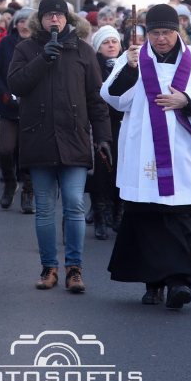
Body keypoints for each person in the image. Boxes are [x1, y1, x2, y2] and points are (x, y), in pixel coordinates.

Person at [101, 3, 191, 310]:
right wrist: (129, 68)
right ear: (146, 33)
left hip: (182, 149)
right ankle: (153, 284)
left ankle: (179, 283)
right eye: (155, 33)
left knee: (182, 216)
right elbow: (113, 98)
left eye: (167, 33)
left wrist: (186, 99)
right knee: (148, 218)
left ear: (178, 32)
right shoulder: (134, 58)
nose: (160, 39)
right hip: (144, 147)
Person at [8, 0, 111, 294]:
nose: (54, 20)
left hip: (74, 138)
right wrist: (43, 59)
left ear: (68, 19)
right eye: (48, 15)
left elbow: (96, 97)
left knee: (75, 204)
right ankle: (48, 267)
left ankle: (74, 269)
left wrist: (103, 137)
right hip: (37, 138)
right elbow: (16, 85)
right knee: (43, 207)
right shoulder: (25, 48)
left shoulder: (83, 50)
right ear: (39, 20)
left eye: (59, 15)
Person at [0, 7, 34, 211]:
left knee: (29, 152)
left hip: (33, 107)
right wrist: (5, 94)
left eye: (28, 21)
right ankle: (9, 183)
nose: (24, 25)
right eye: (20, 21)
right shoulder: (7, 43)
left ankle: (28, 192)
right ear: (15, 24)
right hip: (8, 106)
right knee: (5, 149)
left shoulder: (40, 44)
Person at [89, 24, 125, 239]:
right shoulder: (93, 66)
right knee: (101, 170)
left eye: (114, 42)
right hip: (102, 124)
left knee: (123, 168)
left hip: (124, 124)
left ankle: (119, 211)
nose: (111, 46)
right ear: (98, 47)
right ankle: (100, 215)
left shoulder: (128, 65)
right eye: (105, 42)